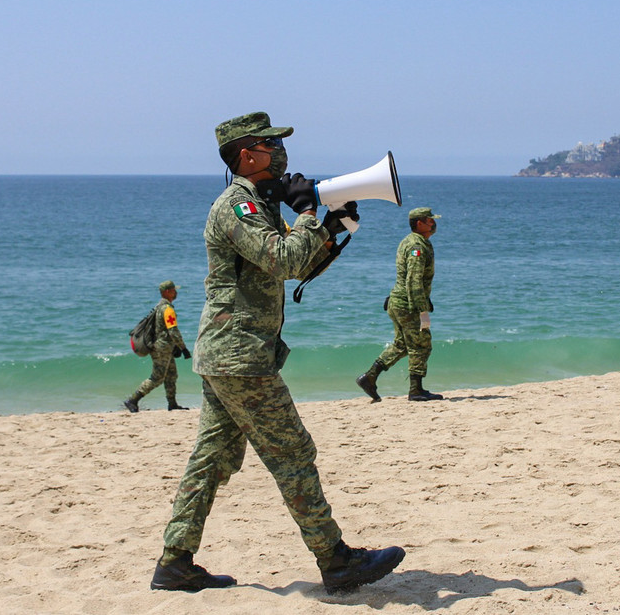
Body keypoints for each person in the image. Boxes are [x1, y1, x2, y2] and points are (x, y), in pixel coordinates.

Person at [150, 112, 404, 595]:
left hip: (231, 353)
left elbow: (297, 265)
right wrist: (307, 212)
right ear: (247, 155)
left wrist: (329, 229)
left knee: (212, 458)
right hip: (239, 355)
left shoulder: (258, 207)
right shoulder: (237, 206)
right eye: (271, 146)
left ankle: (175, 562)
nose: (281, 154)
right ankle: (335, 560)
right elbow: (283, 259)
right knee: (292, 453)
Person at [356, 207, 445, 402]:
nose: (433, 223)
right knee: (421, 344)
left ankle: (369, 377)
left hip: (398, 302)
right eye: (430, 220)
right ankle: (416, 390)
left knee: (402, 345)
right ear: (419, 223)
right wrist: (421, 309)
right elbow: (413, 279)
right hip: (407, 304)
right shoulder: (416, 245)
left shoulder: (411, 241)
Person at [124, 281, 191, 413]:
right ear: (167, 292)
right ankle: (133, 400)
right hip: (162, 348)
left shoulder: (159, 307)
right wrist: (183, 348)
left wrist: (175, 346)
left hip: (164, 346)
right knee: (157, 377)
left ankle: (172, 404)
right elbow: (173, 330)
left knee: (171, 375)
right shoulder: (167, 309)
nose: (176, 292)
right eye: (173, 290)